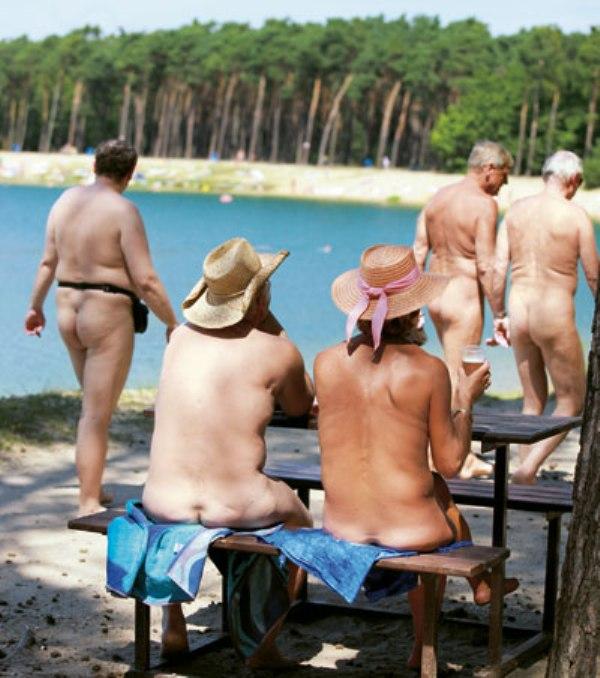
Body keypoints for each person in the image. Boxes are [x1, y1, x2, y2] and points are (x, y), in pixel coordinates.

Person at [315, 244, 518, 668]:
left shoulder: (326, 362)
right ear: (409, 313)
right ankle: (426, 645)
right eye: (417, 307)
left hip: (340, 524)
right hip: (409, 531)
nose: (422, 314)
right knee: (440, 496)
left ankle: (478, 589)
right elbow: (451, 462)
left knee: (436, 490)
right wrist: (465, 400)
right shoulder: (428, 369)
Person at [142, 237, 315, 665]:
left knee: (210, 517)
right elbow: (301, 404)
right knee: (302, 520)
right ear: (259, 300)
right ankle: (264, 636)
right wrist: (272, 323)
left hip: (163, 500)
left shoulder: (179, 339)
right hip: (238, 503)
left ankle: (174, 621)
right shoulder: (277, 351)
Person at [24, 139, 178, 516]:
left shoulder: (65, 201)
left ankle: (93, 487)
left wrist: (34, 306)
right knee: (96, 413)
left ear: (95, 165)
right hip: (106, 310)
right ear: (129, 173)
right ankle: (88, 501)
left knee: (94, 406)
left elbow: (47, 263)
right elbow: (146, 280)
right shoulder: (123, 210)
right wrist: (172, 322)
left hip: (67, 306)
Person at [491, 150, 598, 484]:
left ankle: (526, 476)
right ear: (574, 180)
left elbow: (498, 270)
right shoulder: (576, 216)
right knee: (571, 400)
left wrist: (498, 315)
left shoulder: (515, 212)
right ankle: (527, 470)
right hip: (553, 312)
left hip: (519, 310)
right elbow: (593, 275)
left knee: (532, 400)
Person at [413, 140, 513, 478]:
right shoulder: (484, 205)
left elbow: (418, 252)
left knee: (449, 371)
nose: (504, 184)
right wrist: (499, 314)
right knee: (461, 377)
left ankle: (438, 449)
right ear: (488, 169)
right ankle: (459, 456)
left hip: (435, 293)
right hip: (463, 295)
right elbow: (485, 265)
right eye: (504, 175)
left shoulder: (437, 198)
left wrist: (414, 303)